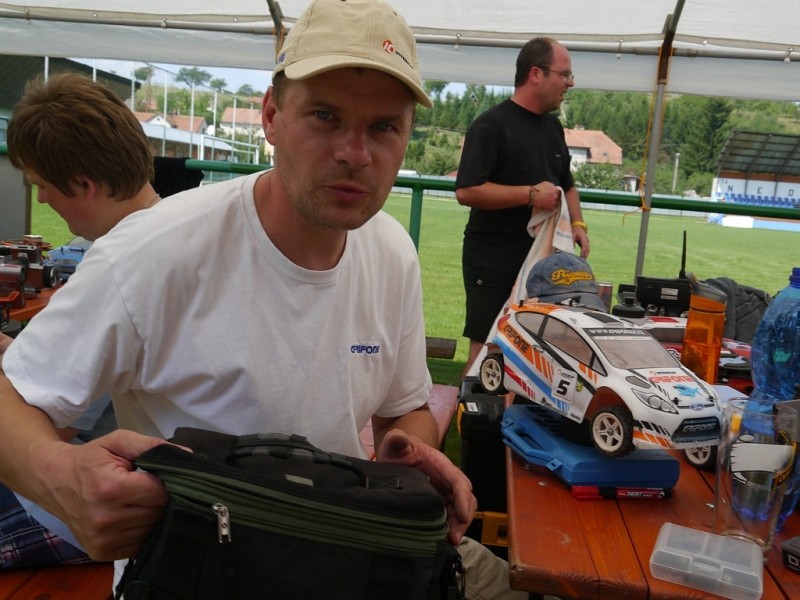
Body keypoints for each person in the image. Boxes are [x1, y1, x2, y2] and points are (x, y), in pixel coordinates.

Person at [0, 1, 523, 597]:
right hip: (199, 572)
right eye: (325, 115)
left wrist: (409, 450)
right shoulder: (151, 252)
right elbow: (13, 395)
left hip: (352, 553)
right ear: (271, 116)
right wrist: (60, 476)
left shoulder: (390, 251)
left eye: (383, 127)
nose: (355, 152)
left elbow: (403, 409)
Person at [0, 71, 160, 568]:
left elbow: (52, 431)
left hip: (99, 509)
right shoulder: (176, 230)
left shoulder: (118, 264)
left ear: (84, 185)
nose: (41, 200)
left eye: (43, 186)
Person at [455, 36, 591, 375]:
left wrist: (577, 225)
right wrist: (530, 195)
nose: (570, 83)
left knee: (535, 346)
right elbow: (467, 191)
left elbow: (567, 184)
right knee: (488, 346)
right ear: (535, 74)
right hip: (493, 258)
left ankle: (513, 408)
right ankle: (471, 406)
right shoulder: (490, 125)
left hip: (542, 261)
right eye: (565, 74)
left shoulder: (553, 127)